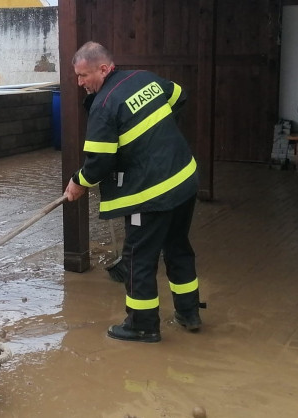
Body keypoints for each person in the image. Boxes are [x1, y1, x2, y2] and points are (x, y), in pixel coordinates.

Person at [64, 41, 203, 343]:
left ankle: (142, 325)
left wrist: (78, 182)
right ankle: (189, 312)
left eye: (84, 75)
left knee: (139, 259)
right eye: (77, 76)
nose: (80, 83)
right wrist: (156, 134)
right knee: (178, 247)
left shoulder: (103, 106)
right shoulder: (145, 78)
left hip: (150, 196)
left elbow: (98, 162)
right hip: (184, 180)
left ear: (104, 68)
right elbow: (179, 94)